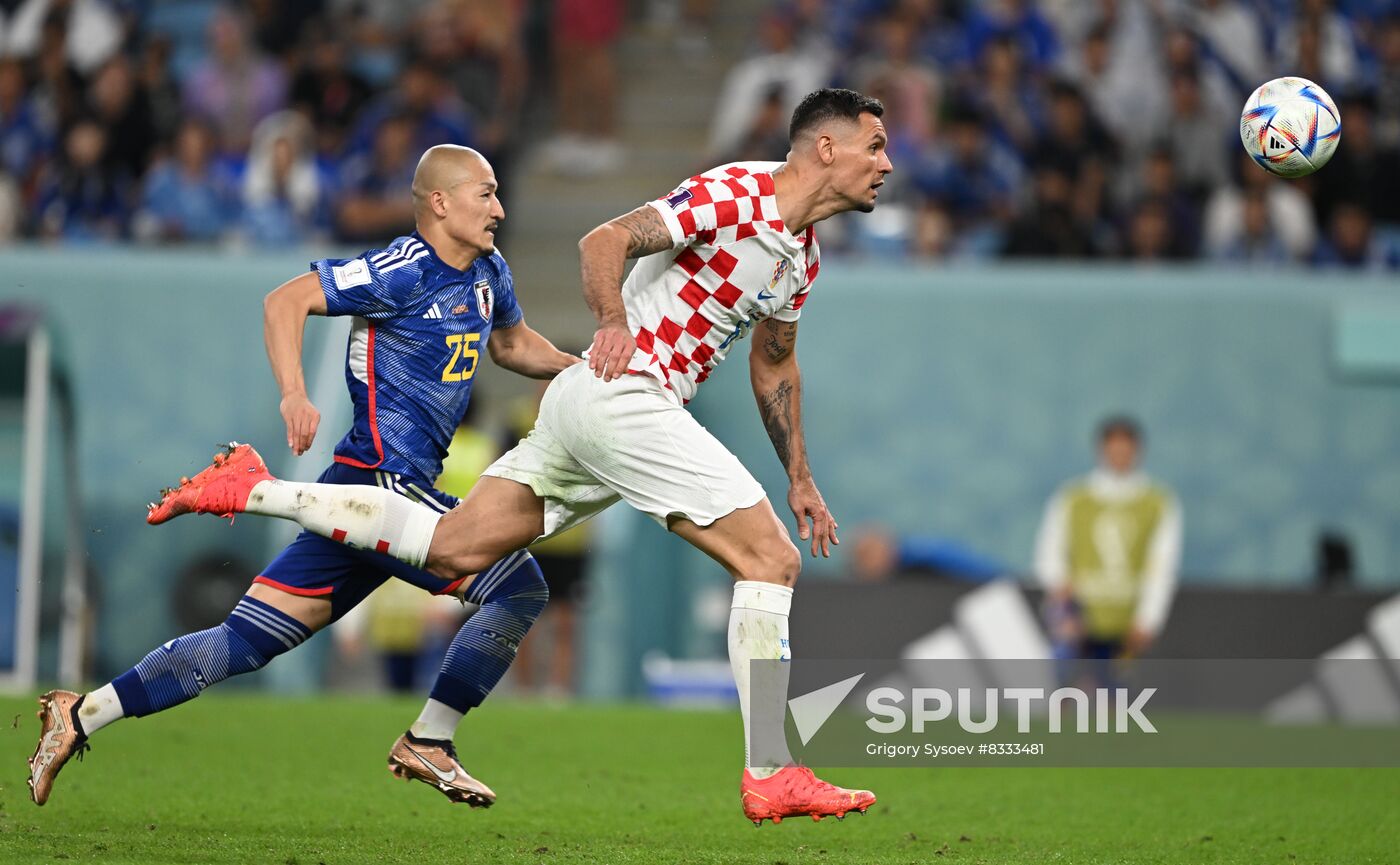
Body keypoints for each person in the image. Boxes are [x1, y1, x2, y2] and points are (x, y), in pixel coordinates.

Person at [140, 87, 890, 825]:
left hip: (593, 403)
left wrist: (800, 475)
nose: (886, 164)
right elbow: (605, 239)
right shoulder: (736, 193)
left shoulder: (799, 257)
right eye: (874, 145)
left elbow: (774, 364)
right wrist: (612, 324)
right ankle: (771, 770)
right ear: (826, 147)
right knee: (770, 560)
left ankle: (256, 493)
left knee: (453, 548)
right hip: (626, 392)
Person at [27, 145, 578, 807]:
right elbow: (285, 300)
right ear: (439, 201)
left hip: (376, 500)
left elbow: (512, 344)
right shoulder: (400, 269)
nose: (500, 208)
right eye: (485, 193)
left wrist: (588, 374)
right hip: (378, 483)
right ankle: (430, 738)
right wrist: (293, 393)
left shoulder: (490, 270)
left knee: (244, 642)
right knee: (518, 586)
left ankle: (81, 712)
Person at [1033, 416, 1182, 671]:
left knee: (1113, 698)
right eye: (1113, 448)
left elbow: (1162, 566)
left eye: (1126, 449)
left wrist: (1149, 619)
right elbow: (1048, 554)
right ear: (1101, 450)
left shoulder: (1158, 503)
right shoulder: (1073, 498)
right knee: (1064, 686)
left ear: (1137, 451)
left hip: (1124, 619)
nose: (1119, 455)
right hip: (1078, 618)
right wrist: (1062, 596)